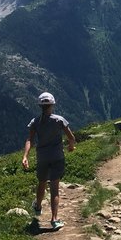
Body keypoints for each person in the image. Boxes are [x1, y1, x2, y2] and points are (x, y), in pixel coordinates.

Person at [22, 92, 76, 230]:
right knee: (54, 188)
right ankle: (54, 219)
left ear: (40, 105)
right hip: (57, 156)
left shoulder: (35, 122)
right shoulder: (59, 120)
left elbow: (30, 140)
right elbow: (71, 137)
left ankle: (38, 206)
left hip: (42, 157)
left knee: (41, 182)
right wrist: (71, 146)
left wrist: (25, 156)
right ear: (52, 104)